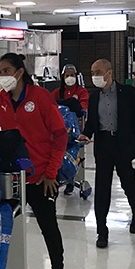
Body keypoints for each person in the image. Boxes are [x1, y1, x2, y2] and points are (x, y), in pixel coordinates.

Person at [0, 53, 68, 269]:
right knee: (4, 229)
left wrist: (51, 173)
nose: (2, 76)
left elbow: (60, 135)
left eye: (6, 71)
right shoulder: (0, 100)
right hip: (11, 179)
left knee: (48, 227)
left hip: (41, 177)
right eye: (0, 72)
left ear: (19, 72)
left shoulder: (40, 97)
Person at [78, 59, 135, 249]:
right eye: (92, 72)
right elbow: (93, 122)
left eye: (98, 72)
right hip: (103, 145)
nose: (95, 76)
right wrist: (86, 133)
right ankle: (101, 231)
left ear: (109, 73)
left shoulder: (127, 93)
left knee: (129, 183)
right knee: (102, 189)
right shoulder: (94, 97)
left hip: (125, 144)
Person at [52, 64, 90, 196]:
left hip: (76, 129)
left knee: (74, 154)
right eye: (67, 76)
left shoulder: (81, 92)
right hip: (59, 130)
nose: (69, 78)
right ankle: (61, 177)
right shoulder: (57, 91)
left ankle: (71, 180)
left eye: (72, 75)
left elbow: (83, 108)